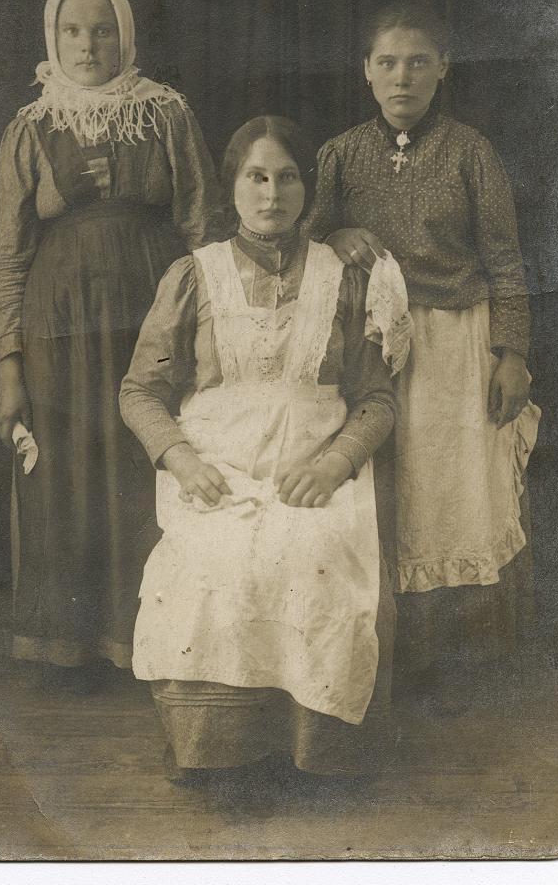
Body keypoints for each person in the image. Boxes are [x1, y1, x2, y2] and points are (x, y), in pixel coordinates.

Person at [119, 116, 397, 779]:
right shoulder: (192, 276)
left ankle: (312, 758)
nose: (271, 193)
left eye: (287, 177)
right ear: (233, 187)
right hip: (214, 471)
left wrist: (334, 462)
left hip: (315, 473)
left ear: (307, 190)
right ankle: (215, 756)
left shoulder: (343, 278)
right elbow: (138, 391)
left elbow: (377, 399)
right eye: (256, 177)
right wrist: (182, 460)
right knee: (214, 567)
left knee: (313, 558)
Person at [304, 3, 541, 708]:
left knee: (451, 493)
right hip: (372, 348)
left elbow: (502, 258)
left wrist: (512, 354)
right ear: (366, 73)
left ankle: (459, 661)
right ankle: (388, 654)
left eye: (416, 62)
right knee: (388, 488)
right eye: (386, 63)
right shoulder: (340, 154)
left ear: (442, 69)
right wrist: (339, 231)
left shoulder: (471, 151)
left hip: (453, 343)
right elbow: (299, 241)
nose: (400, 76)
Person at [0, 0, 223, 687]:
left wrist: (208, 330)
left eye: (101, 29)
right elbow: (8, 255)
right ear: (52, 38)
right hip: (57, 328)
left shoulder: (167, 115)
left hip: (154, 316)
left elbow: (201, 225)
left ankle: (148, 644)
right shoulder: (29, 128)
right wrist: (10, 367)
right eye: (72, 30)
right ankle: (69, 652)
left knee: (143, 466)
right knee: (66, 473)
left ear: (124, 34)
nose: (87, 44)